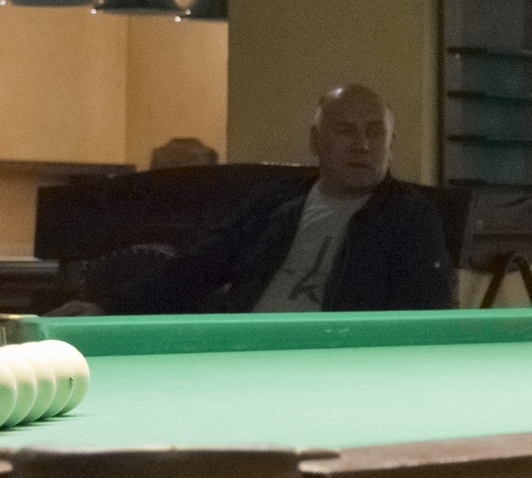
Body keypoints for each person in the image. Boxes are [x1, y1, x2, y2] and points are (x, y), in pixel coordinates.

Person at [104, 85, 451, 314]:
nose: (363, 145)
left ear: (391, 144)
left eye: (375, 133)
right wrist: (109, 310)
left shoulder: (411, 218)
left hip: (335, 363)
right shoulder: (277, 201)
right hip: (243, 348)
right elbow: (199, 265)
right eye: (345, 131)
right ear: (315, 141)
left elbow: (421, 318)